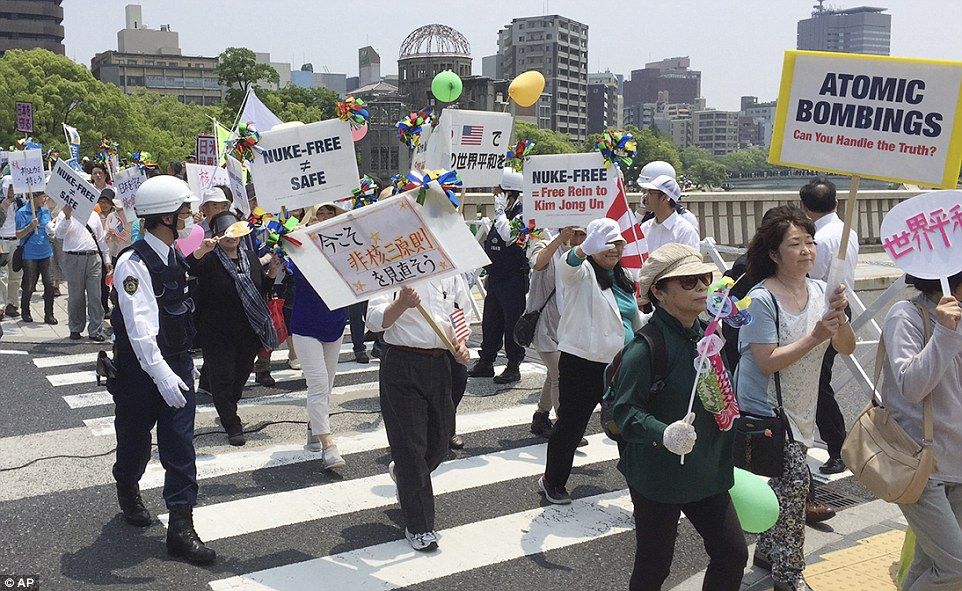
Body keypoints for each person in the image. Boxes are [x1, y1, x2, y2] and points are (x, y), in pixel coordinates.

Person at [611, 243, 747, 591]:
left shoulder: (708, 336)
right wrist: (663, 432)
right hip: (658, 477)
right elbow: (624, 411)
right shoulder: (644, 349)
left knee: (732, 553)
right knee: (654, 566)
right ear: (658, 291)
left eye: (703, 278)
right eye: (687, 282)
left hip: (706, 471)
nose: (702, 287)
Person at [735, 204, 855, 591]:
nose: (806, 251)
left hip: (801, 409)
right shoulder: (759, 299)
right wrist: (817, 334)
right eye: (795, 244)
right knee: (794, 494)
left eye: (810, 242)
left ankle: (768, 552)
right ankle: (789, 575)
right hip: (767, 411)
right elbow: (766, 361)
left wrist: (838, 318)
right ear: (773, 253)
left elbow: (848, 347)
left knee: (781, 490)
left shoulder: (822, 291)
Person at [108, 175, 215, 565]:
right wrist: (162, 373)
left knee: (180, 446)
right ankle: (127, 486)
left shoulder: (174, 256)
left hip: (177, 363)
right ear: (166, 217)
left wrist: (181, 369)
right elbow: (139, 331)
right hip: (140, 372)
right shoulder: (132, 264)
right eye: (184, 211)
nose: (190, 217)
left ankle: (181, 528)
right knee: (134, 443)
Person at [539, 218, 641, 504]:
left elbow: (632, 319)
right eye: (606, 244)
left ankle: (641, 491)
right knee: (572, 425)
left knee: (628, 428)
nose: (613, 249)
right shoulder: (581, 273)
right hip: (584, 362)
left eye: (618, 243)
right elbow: (567, 266)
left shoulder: (625, 278)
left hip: (622, 365)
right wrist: (583, 249)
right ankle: (553, 481)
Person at [367, 277, 473, 551]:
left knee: (439, 442)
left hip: (441, 362)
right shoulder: (391, 271)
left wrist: (460, 342)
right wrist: (401, 304)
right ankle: (420, 526)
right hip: (401, 362)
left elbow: (459, 311)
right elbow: (374, 320)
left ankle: (404, 473)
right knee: (410, 446)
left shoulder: (450, 271)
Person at [880, 272, 962, 591]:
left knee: (930, 561)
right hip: (920, 462)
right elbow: (911, 386)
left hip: (956, 460)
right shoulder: (906, 315)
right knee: (955, 567)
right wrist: (944, 331)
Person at [188, 211, 279, 446]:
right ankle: (231, 423)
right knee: (222, 378)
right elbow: (188, 267)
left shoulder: (249, 256)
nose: (231, 237)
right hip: (216, 331)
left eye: (235, 232)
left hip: (248, 330)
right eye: (225, 232)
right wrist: (202, 250)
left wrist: (273, 272)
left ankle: (228, 407)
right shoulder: (209, 258)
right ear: (217, 234)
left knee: (240, 376)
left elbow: (261, 288)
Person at [798, 177, 858, 476]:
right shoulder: (847, 232)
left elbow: (809, 281)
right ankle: (835, 445)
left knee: (817, 385)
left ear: (804, 207)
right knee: (819, 383)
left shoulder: (815, 241)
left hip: (820, 316)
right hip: (841, 309)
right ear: (835, 203)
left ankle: (838, 447)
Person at [292, 202, 350, 469]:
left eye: (331, 213)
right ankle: (329, 446)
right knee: (316, 384)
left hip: (335, 323)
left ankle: (312, 429)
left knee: (326, 386)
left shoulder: (349, 246)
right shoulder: (297, 244)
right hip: (305, 324)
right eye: (320, 213)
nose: (326, 218)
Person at [467, 168, 529, 384]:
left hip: (513, 277)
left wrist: (501, 211)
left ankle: (513, 365)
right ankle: (486, 361)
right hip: (496, 276)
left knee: (512, 323)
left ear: (508, 192)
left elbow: (508, 235)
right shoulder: (502, 211)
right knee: (491, 320)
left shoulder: (522, 213)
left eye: (497, 189)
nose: (494, 192)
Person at [526, 226, 586, 438]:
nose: (578, 238)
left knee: (554, 375)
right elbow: (538, 262)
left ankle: (541, 416)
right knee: (560, 375)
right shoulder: (545, 245)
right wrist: (560, 239)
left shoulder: (582, 256)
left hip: (568, 325)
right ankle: (565, 428)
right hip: (545, 324)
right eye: (575, 233)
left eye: (582, 234)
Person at [52, 202, 110, 341]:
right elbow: (59, 234)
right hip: (73, 257)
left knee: (95, 295)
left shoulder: (94, 215)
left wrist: (107, 258)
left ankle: (95, 329)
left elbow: (100, 238)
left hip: (93, 257)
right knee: (76, 296)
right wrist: (67, 217)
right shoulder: (64, 214)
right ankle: (76, 327)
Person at [14, 191, 57, 324]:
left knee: (49, 284)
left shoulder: (45, 211)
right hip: (30, 254)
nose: (45, 199)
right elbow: (18, 234)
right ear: (34, 197)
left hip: (46, 252)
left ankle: (49, 314)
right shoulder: (22, 212)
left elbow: (50, 229)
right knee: (29, 285)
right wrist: (30, 227)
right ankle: (25, 311)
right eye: (42, 196)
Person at [639, 175, 700, 253]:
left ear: (664, 198)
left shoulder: (684, 231)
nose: (645, 197)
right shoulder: (645, 228)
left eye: (650, 193)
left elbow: (689, 263)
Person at [637, 160, 699, 231]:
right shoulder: (645, 220)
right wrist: (640, 214)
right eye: (644, 191)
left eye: (650, 192)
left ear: (664, 196)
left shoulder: (685, 218)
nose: (645, 197)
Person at [0, 176, 23, 319]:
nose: (12, 191)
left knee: (16, 274)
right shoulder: (1, 203)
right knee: (2, 275)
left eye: (14, 187)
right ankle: (0, 306)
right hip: (1, 241)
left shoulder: (20, 203)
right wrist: (4, 206)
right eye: (9, 187)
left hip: (16, 240)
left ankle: (12, 304)